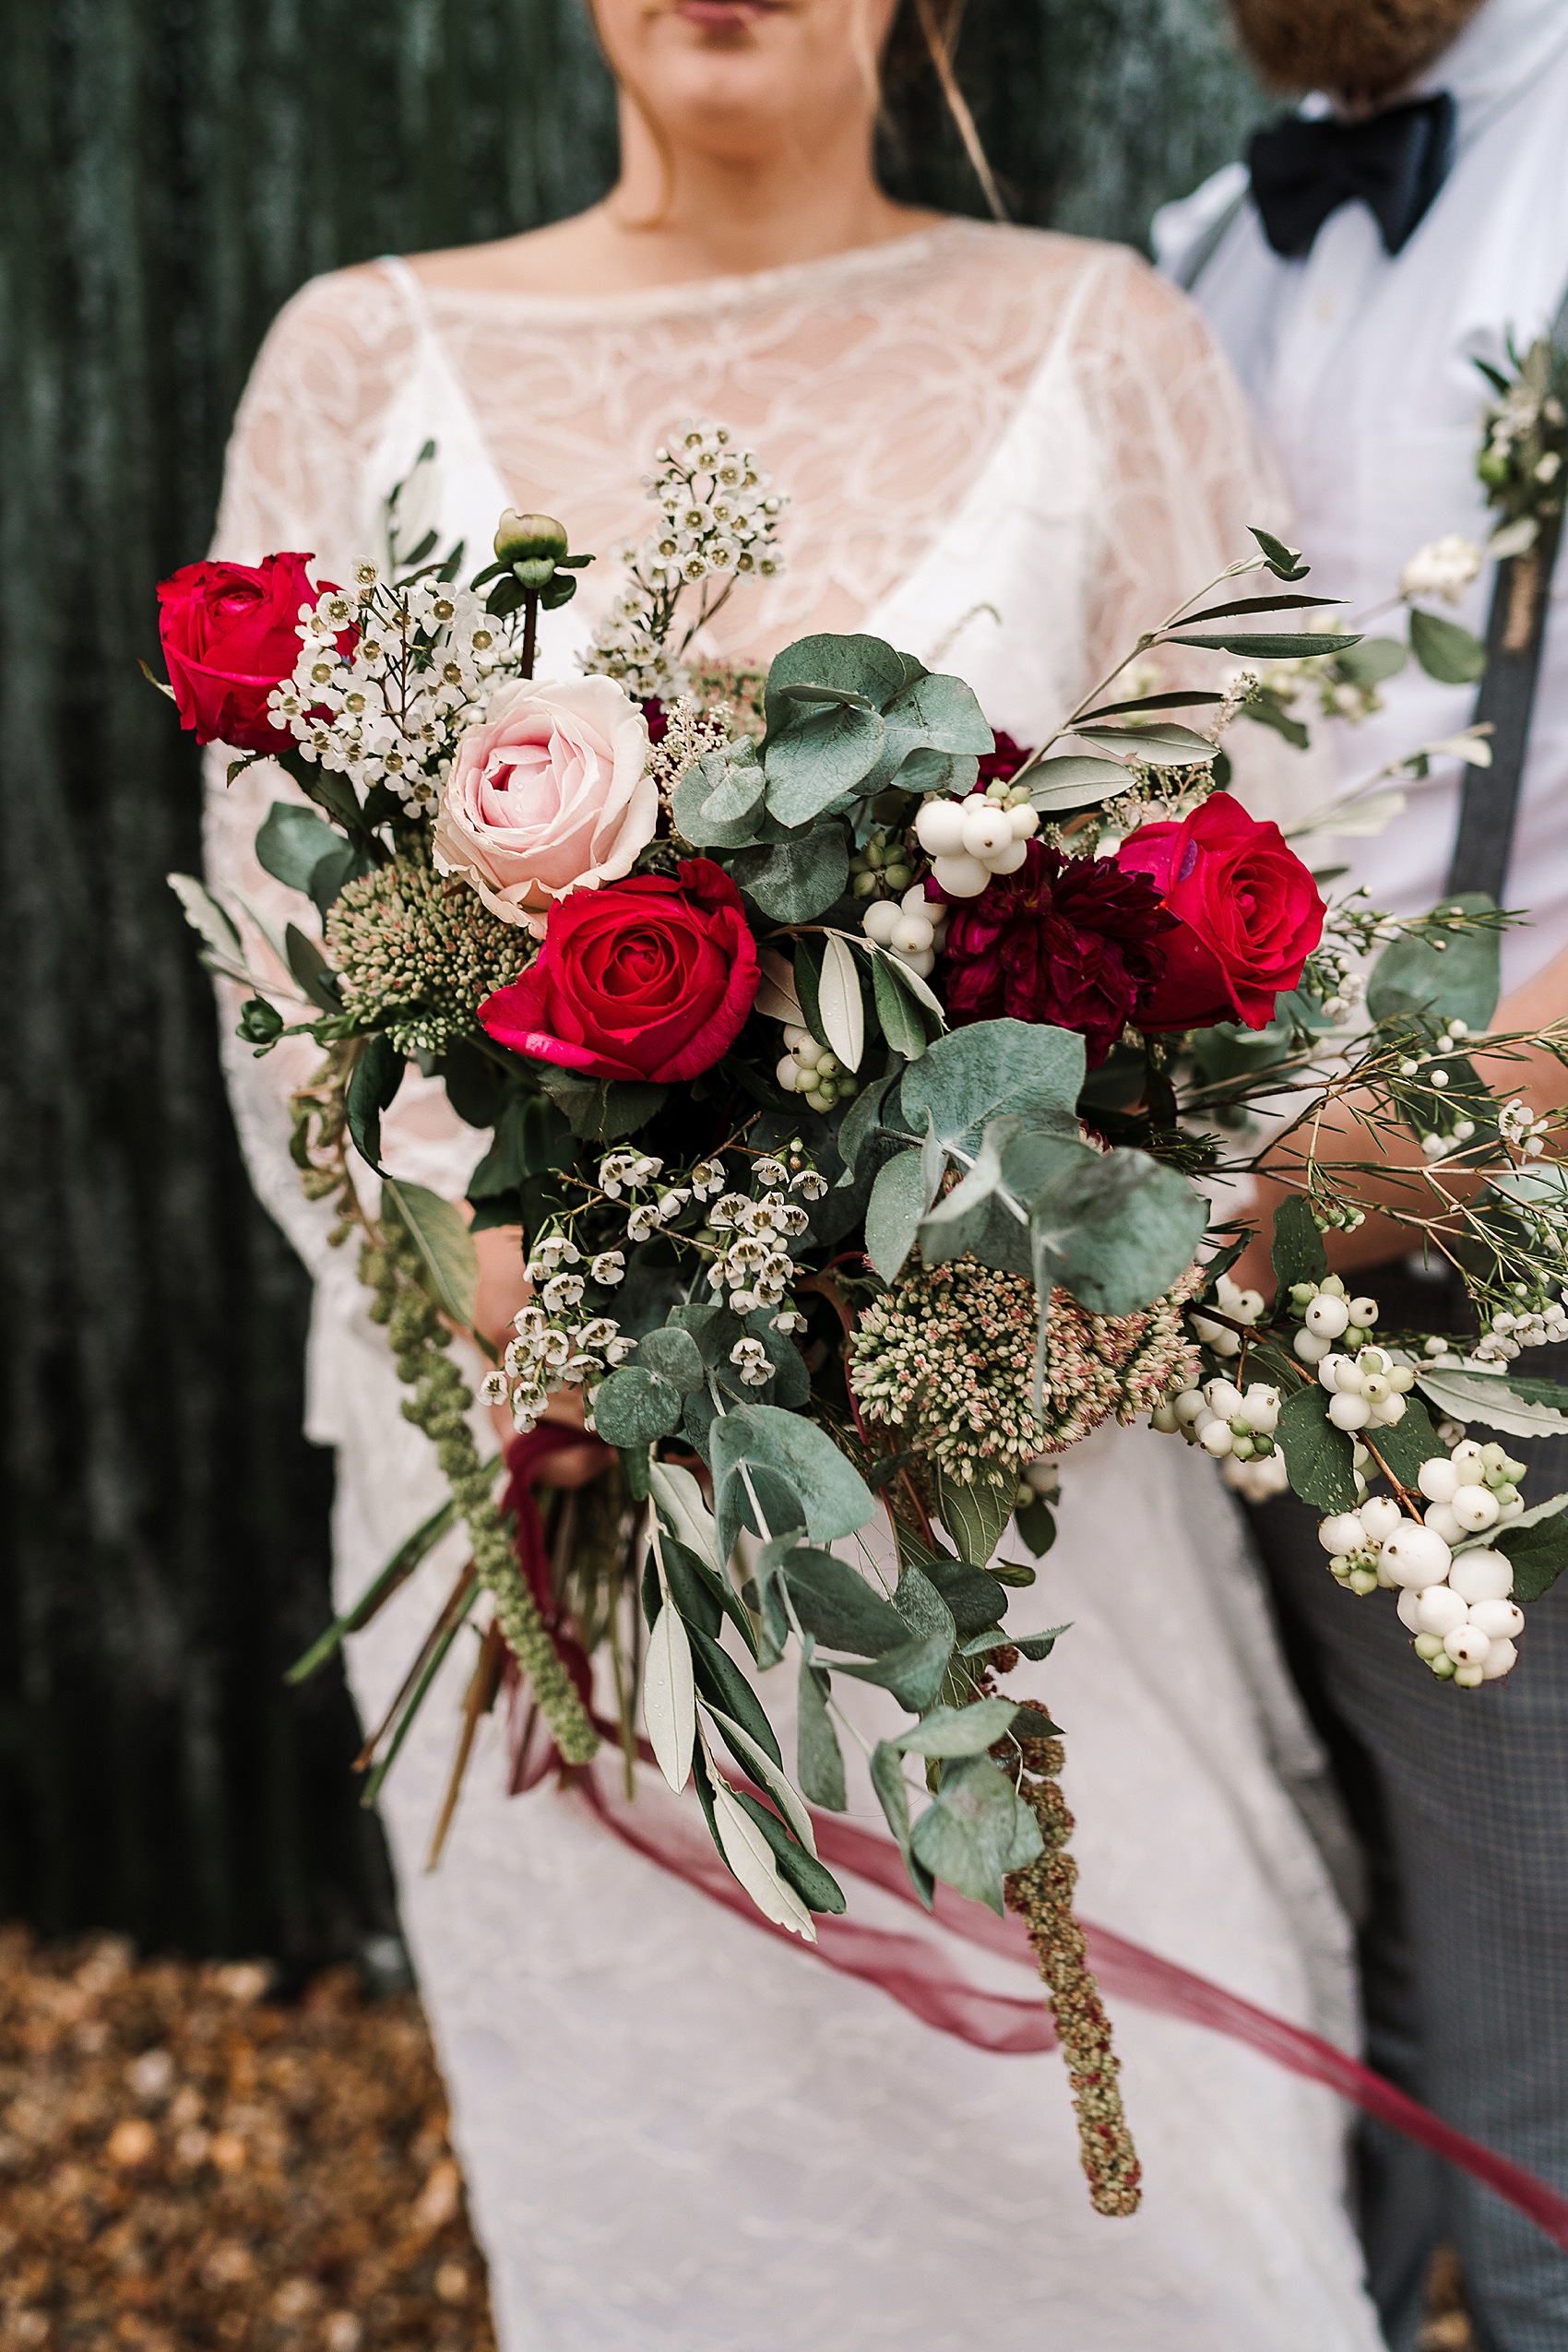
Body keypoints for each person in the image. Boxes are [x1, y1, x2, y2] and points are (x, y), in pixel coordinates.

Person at [202, 3, 1385, 2345]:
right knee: (675, 2228)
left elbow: (1242, 928)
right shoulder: (358, 358)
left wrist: (1002, 1305)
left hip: (1013, 1503)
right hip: (565, 1494)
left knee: (1173, 2243)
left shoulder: (1104, 340)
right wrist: (563, 1308)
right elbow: (287, 962)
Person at [1157, 4, 1568, 2346]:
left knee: (1534, 2092)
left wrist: (1391, 1168)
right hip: (1230, 1318)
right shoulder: (1197, 252)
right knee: (1349, 1990)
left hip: (1500, 1259)